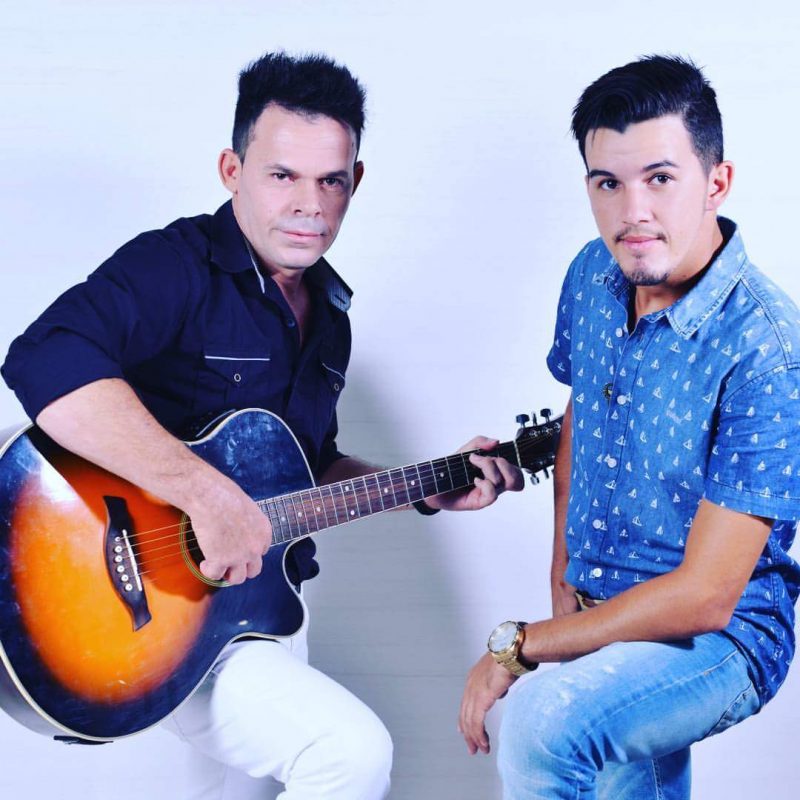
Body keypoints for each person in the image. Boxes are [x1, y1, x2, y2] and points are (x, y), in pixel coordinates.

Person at [1, 51, 522, 800]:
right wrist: (203, 495)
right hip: (139, 610)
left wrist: (422, 488)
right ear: (232, 170)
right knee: (348, 755)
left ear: (356, 182)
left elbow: (305, 466)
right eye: (282, 175)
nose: (309, 204)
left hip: (258, 613)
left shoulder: (331, 320)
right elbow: (44, 357)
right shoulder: (174, 266)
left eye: (330, 180)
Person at [458, 54, 800, 799]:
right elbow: (582, 420)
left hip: (720, 637)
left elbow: (707, 595)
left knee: (545, 722)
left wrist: (522, 647)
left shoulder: (767, 349)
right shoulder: (592, 274)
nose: (631, 212)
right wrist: (564, 586)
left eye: (660, 178)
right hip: (600, 608)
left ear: (717, 182)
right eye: (607, 183)